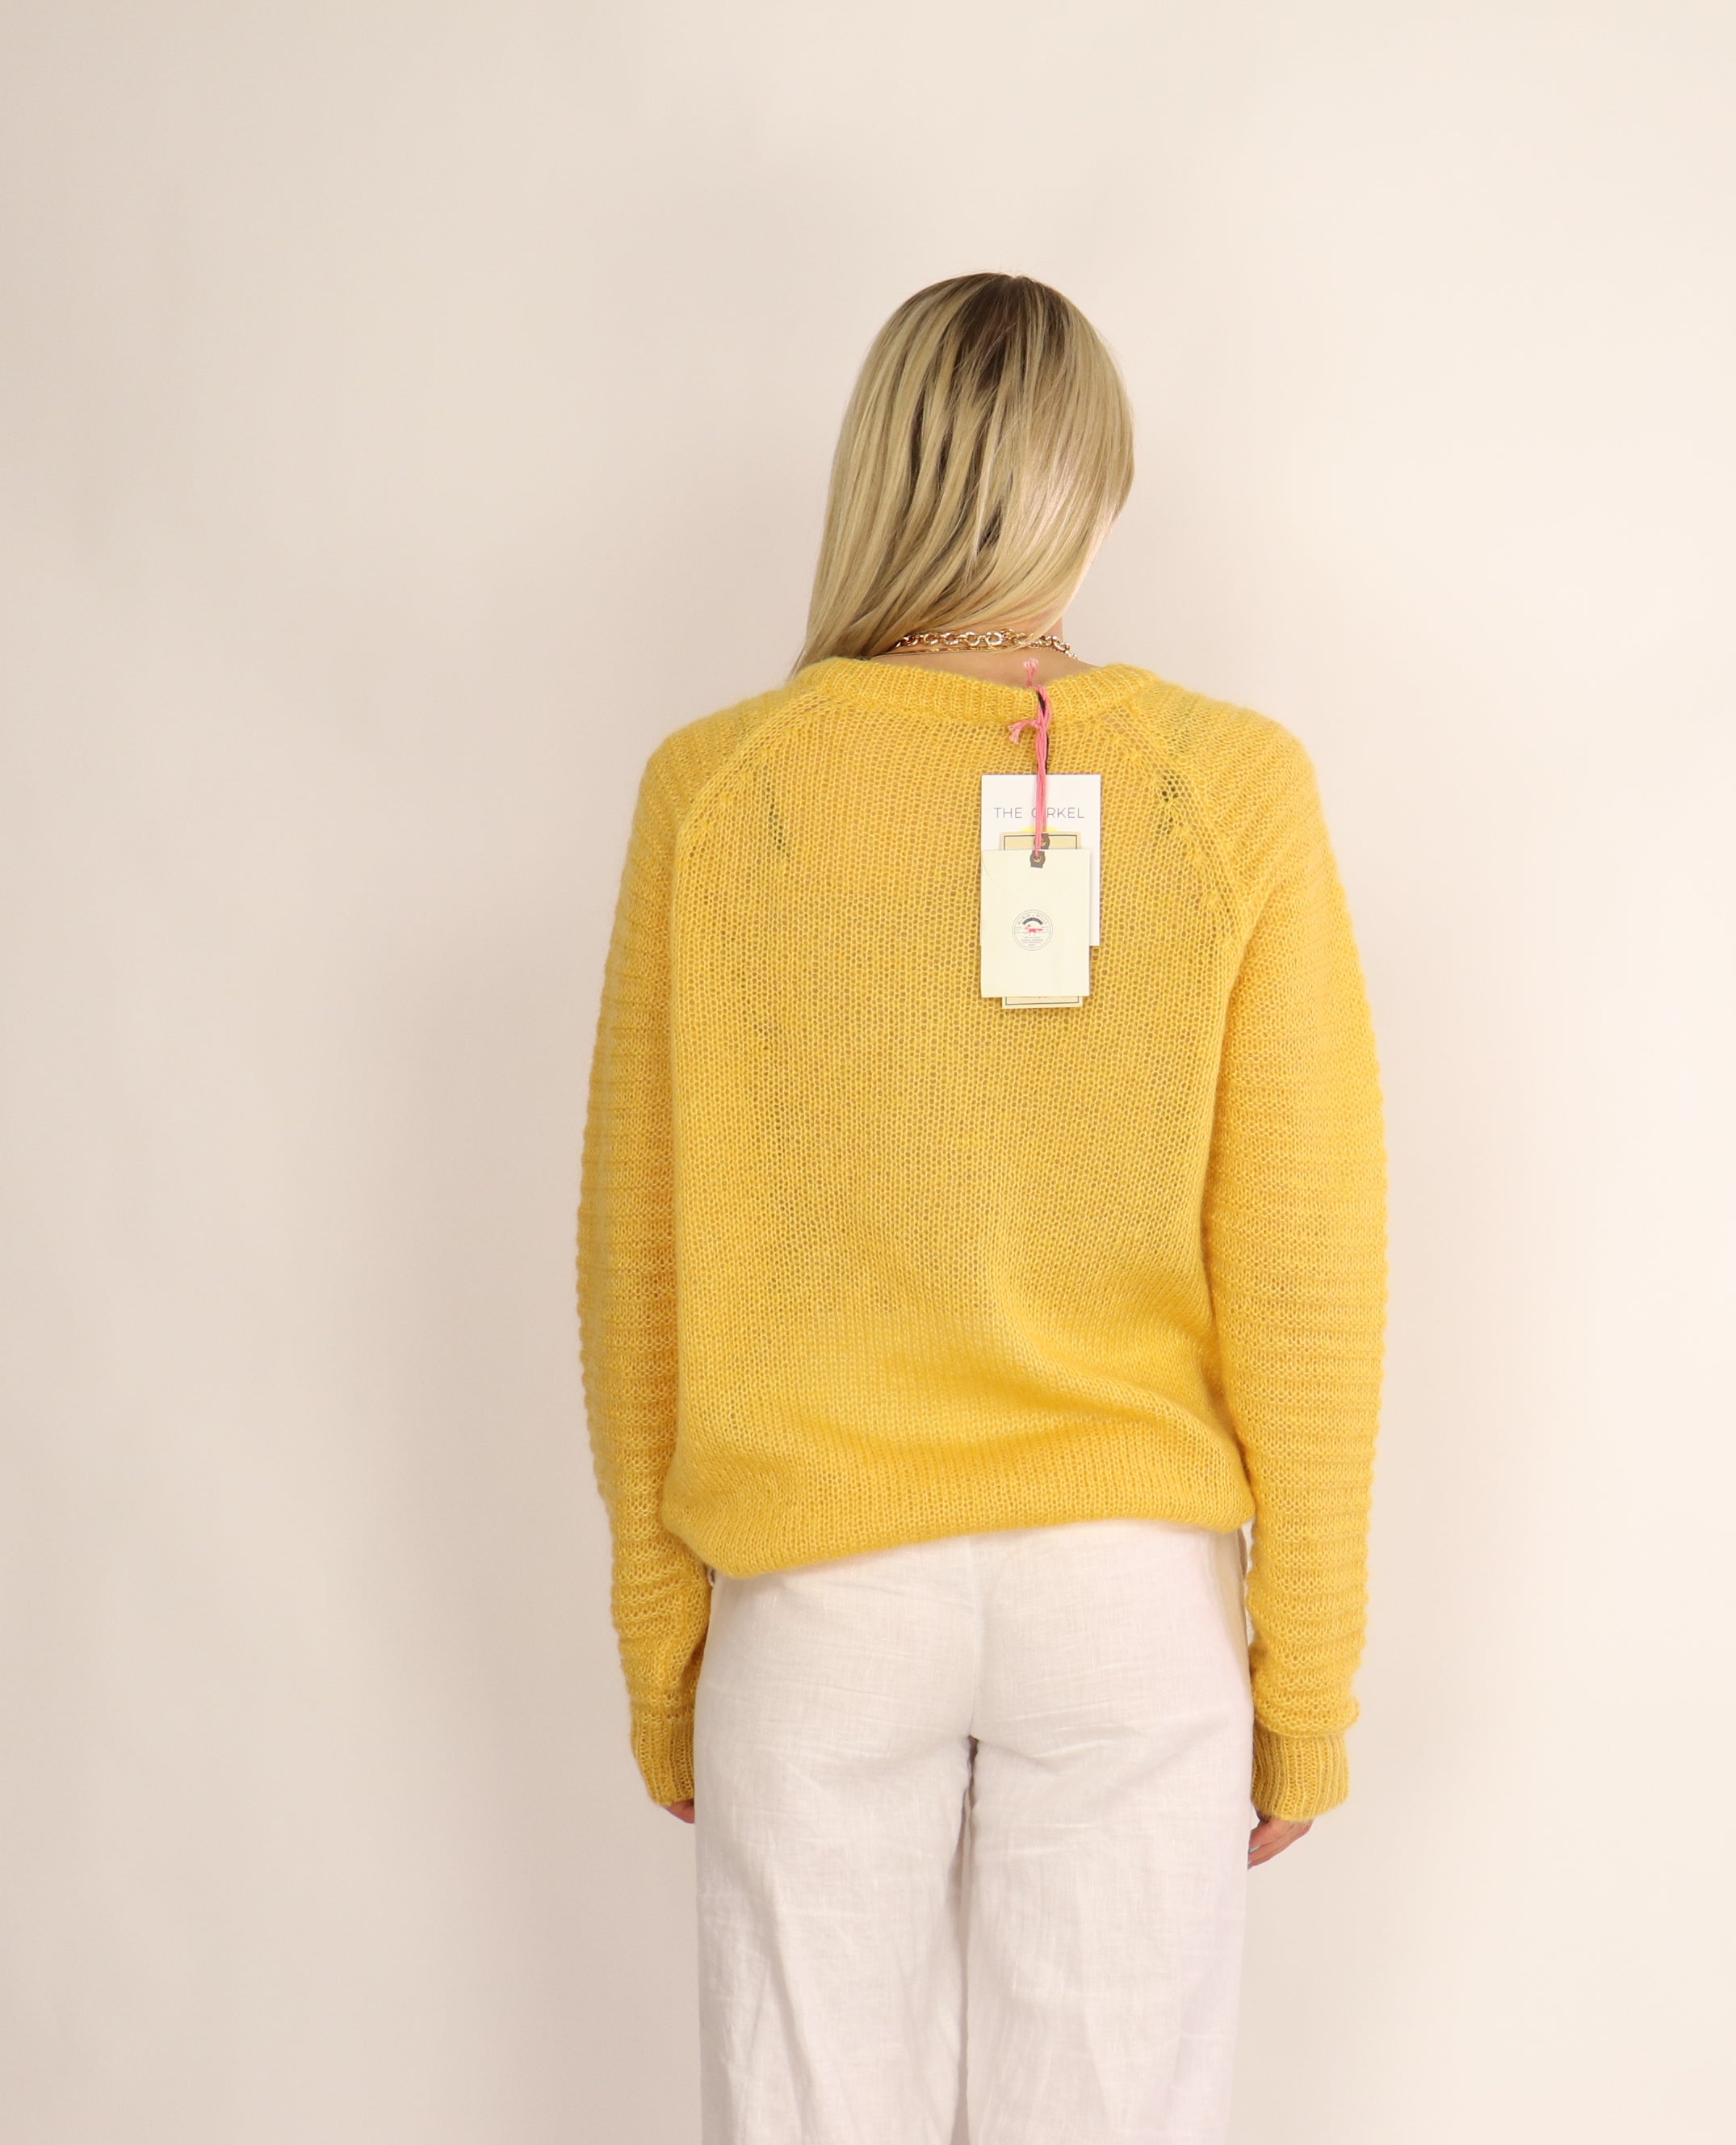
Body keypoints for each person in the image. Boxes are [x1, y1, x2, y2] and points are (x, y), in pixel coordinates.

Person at [577, 271, 1387, 2145]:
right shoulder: (1229, 789)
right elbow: (1305, 1260)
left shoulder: (717, 792)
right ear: (1092, 484)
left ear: (877, 468)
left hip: (817, 1594)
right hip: (1127, 1593)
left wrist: (665, 1655)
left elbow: (638, 1262)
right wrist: (1308, 1685)